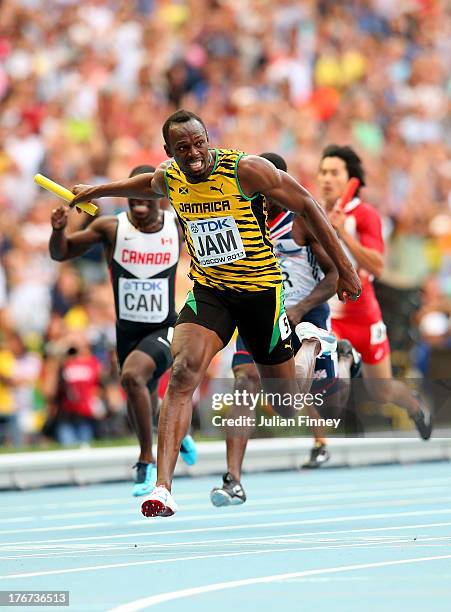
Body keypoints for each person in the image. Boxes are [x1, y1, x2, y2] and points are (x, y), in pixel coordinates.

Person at [70, 109, 361, 517]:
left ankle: (314, 344)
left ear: (208, 139)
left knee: (286, 404)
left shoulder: (245, 170)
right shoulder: (169, 177)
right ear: (168, 151)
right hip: (211, 292)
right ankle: (163, 489)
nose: (194, 154)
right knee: (185, 371)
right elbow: (146, 184)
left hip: (261, 292)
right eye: (183, 148)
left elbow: (308, 205)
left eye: (199, 143)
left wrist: (346, 270)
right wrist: (98, 191)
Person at [210, 152, 361, 506]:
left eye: (267, 188)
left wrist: (300, 308)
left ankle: (341, 359)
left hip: (306, 315)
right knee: (248, 381)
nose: (260, 195)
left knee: (327, 407)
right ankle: (233, 478)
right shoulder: (239, 220)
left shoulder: (300, 222)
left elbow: (334, 275)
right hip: (259, 314)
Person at [49, 164, 197, 496]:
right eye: (133, 200)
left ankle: (146, 459)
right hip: (127, 332)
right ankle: (177, 430)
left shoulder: (177, 226)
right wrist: (59, 230)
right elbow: (61, 253)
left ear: (159, 197)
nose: (139, 206)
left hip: (163, 327)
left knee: (132, 377)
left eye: (145, 200)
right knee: (136, 393)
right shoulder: (112, 228)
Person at [318, 145, 432, 439]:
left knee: (381, 389)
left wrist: (343, 234)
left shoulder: (365, 215)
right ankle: (323, 441)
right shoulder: (312, 212)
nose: (326, 179)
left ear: (350, 178)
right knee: (332, 375)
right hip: (331, 314)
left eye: (334, 173)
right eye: (323, 172)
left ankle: (415, 405)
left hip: (364, 315)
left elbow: (378, 265)